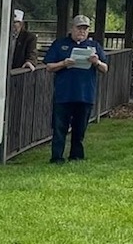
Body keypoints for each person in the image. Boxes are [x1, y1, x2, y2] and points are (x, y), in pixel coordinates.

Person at [43, 14, 109, 163]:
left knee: (80, 128)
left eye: (85, 29)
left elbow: (105, 68)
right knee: (60, 127)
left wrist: (96, 62)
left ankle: (76, 156)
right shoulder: (60, 44)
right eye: (79, 28)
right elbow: (49, 66)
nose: (82, 32)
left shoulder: (94, 46)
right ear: (72, 28)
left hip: (85, 94)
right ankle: (57, 157)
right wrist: (63, 64)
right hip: (64, 94)